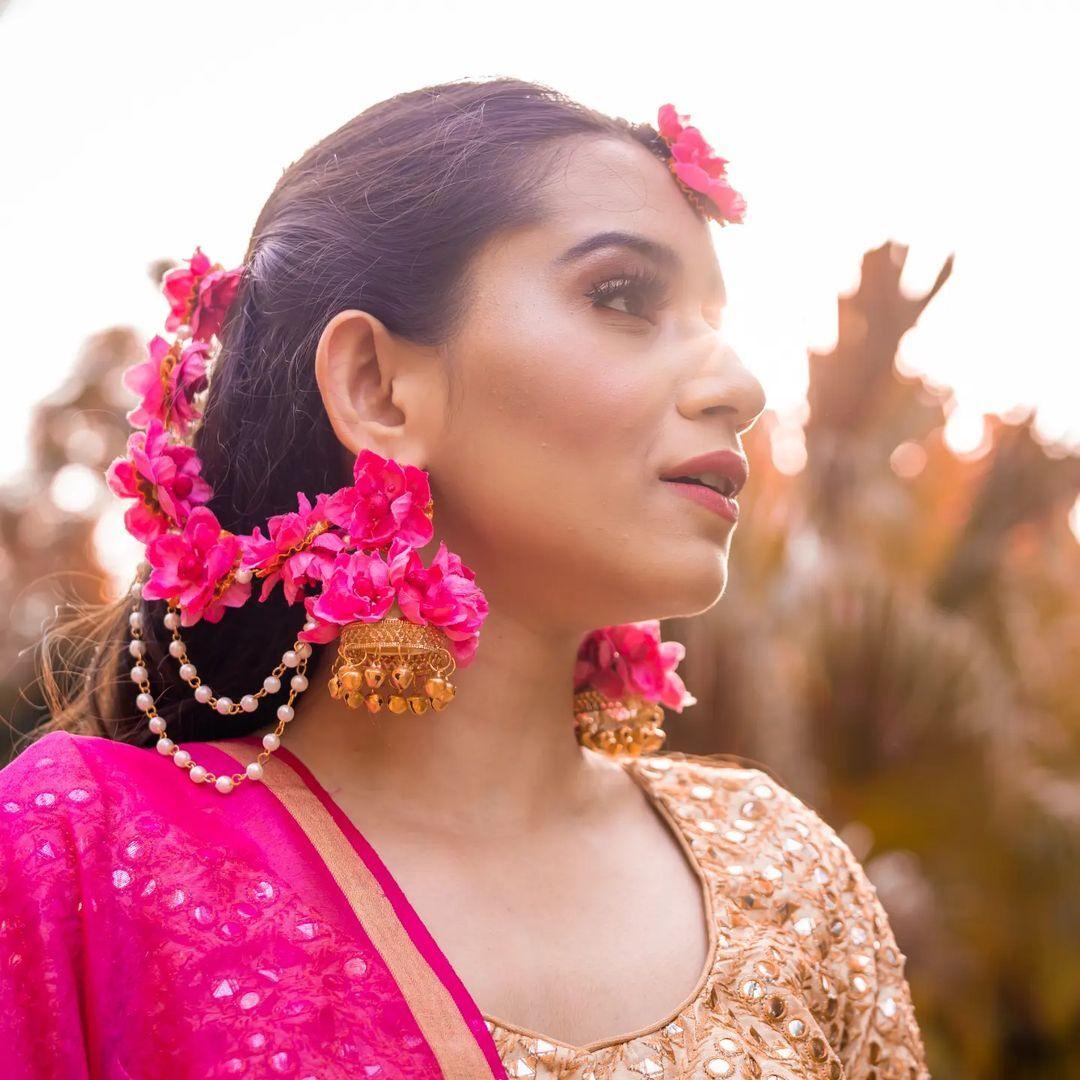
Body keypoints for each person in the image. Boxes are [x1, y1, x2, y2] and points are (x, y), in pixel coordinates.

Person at [0, 77, 930, 1078]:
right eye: (623, 297)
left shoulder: (781, 873)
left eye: (713, 319)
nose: (740, 386)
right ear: (379, 387)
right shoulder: (88, 857)